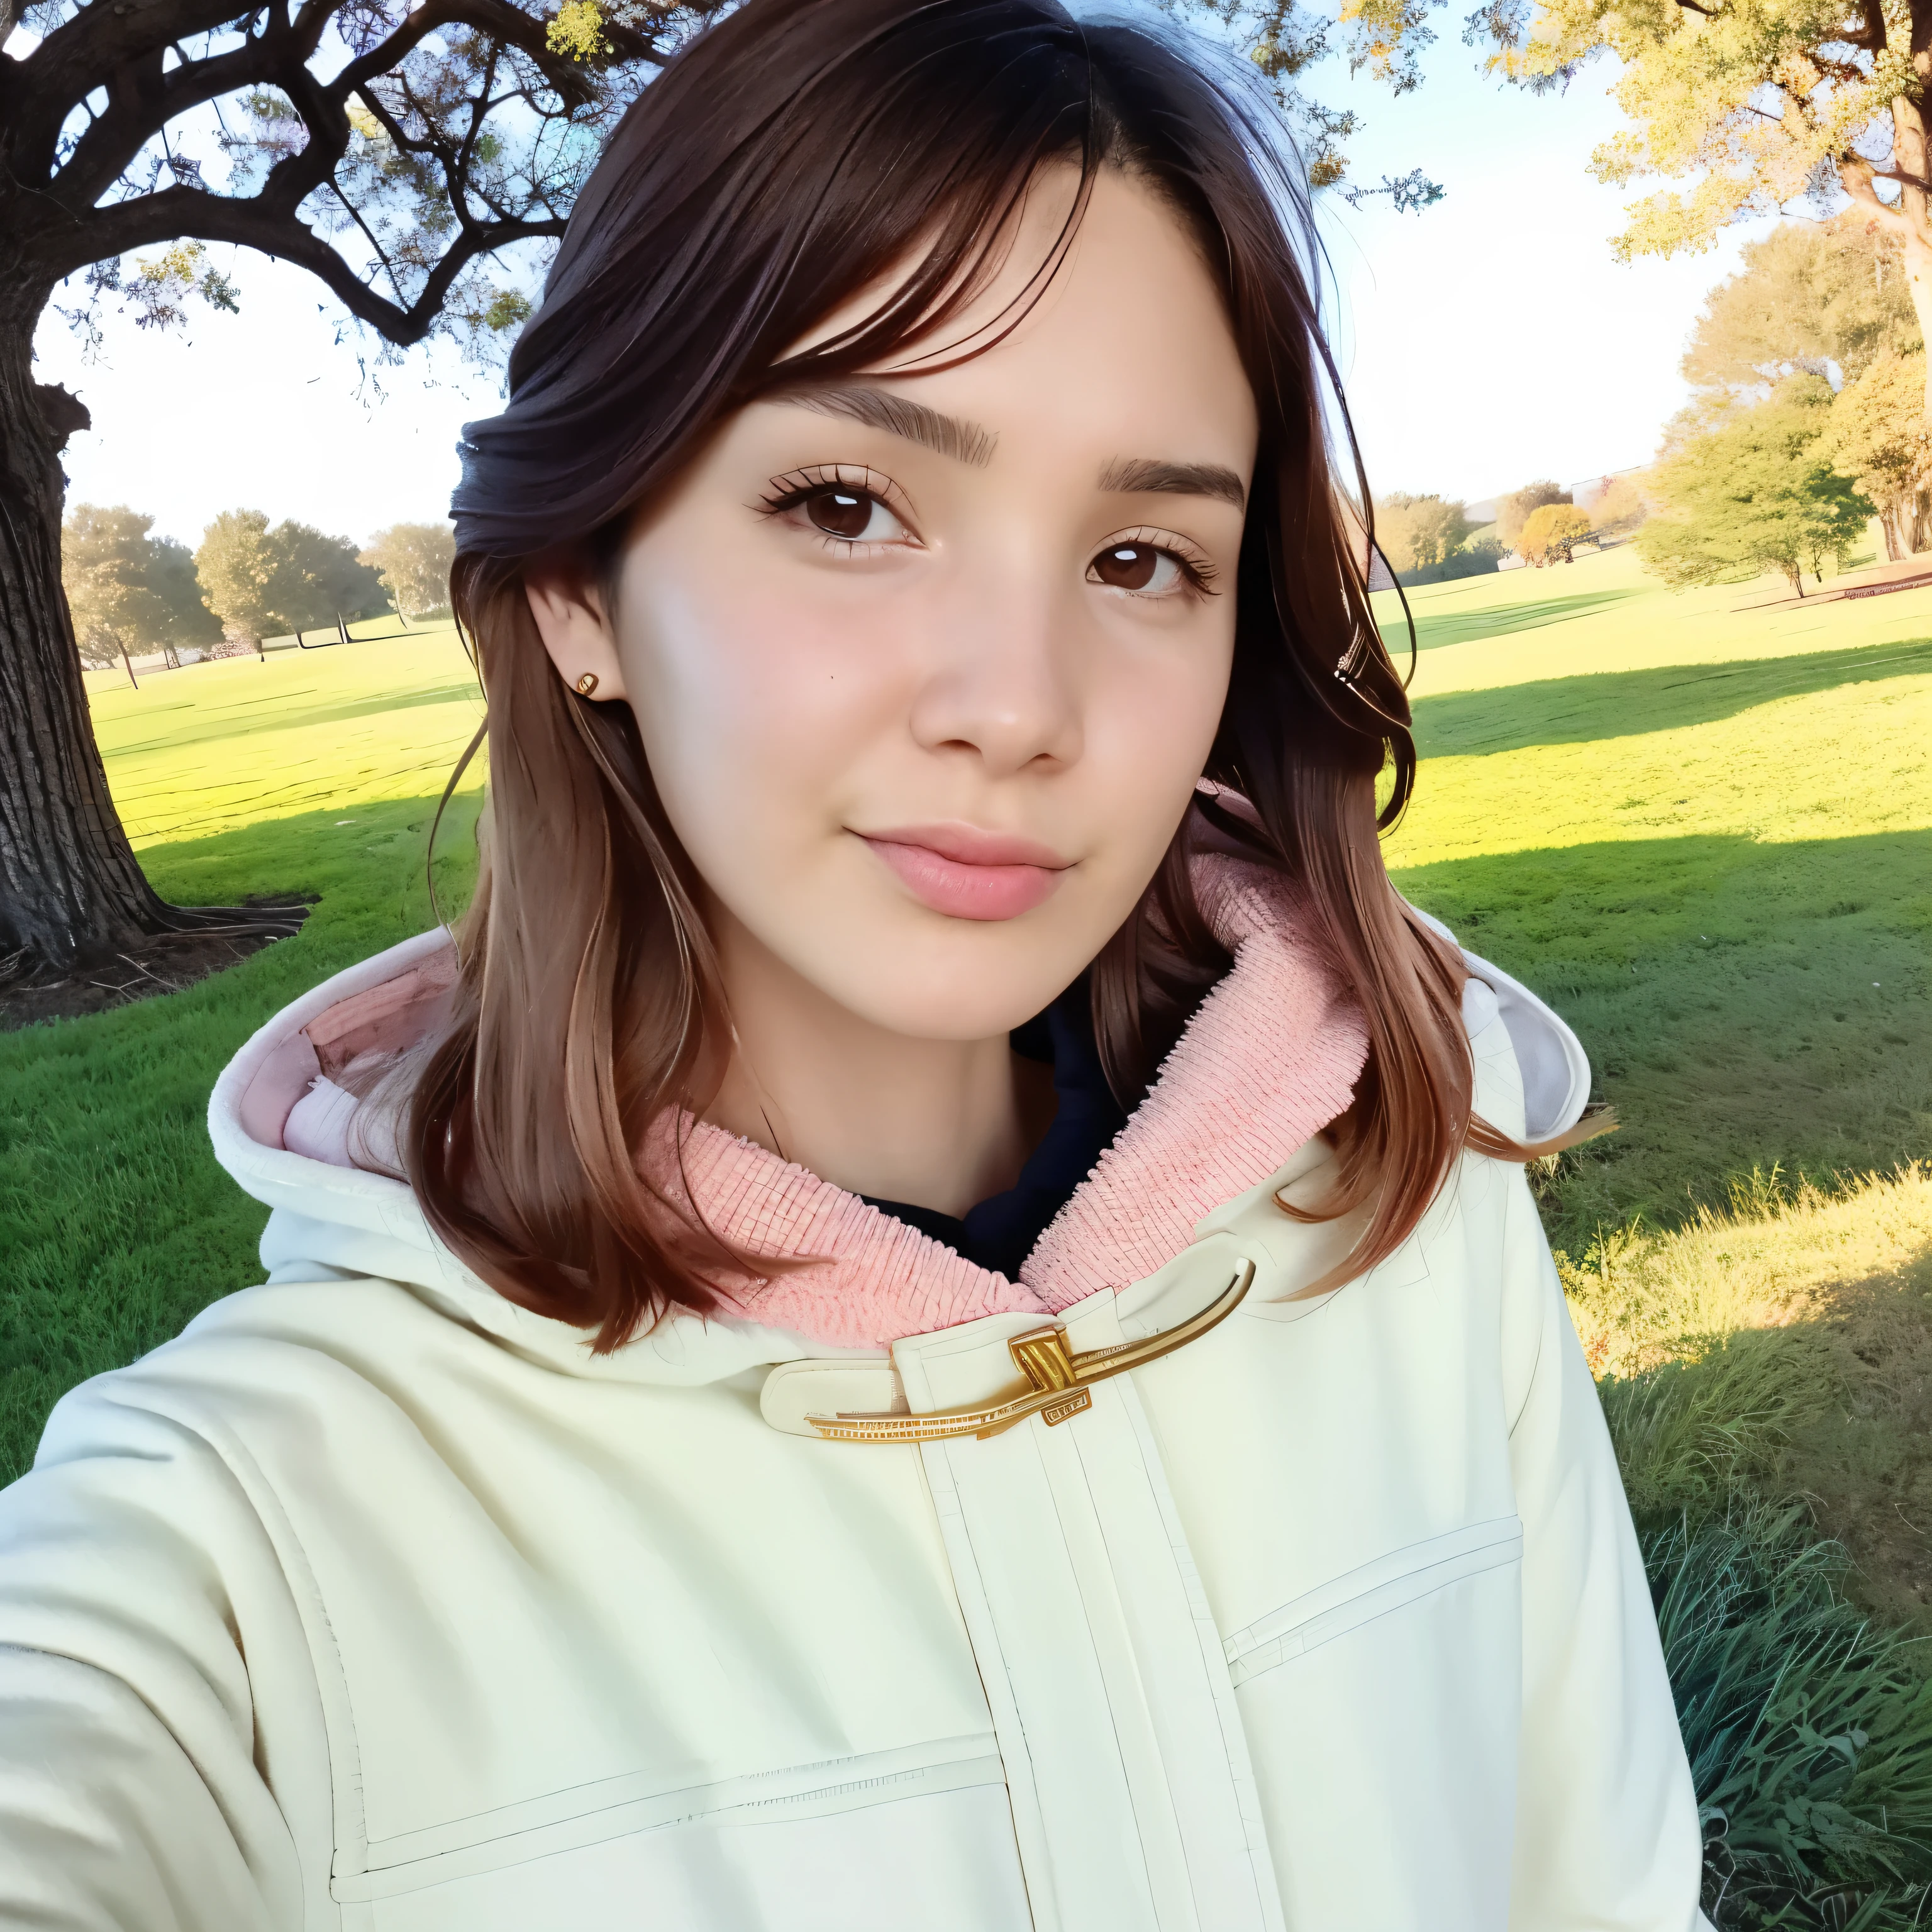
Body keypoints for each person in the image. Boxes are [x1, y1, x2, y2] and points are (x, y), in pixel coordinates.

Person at [0, 1, 1711, 1925]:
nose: (1018, 706)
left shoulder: (1415, 1190)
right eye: (846, 506)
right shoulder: (239, 1539)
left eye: (1145, 558)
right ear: (580, 590)